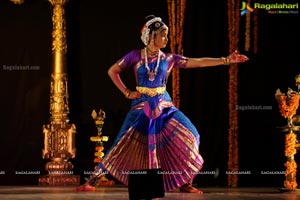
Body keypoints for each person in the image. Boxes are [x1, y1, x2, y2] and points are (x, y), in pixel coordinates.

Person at [76, 15, 249, 194]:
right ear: (151, 36)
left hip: (164, 106)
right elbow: (112, 71)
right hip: (140, 106)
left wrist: (226, 60)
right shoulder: (135, 56)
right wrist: (127, 92)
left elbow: (196, 62)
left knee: (192, 135)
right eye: (163, 35)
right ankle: (92, 180)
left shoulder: (169, 58)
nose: (166, 39)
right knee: (120, 143)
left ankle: (185, 182)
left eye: (166, 35)